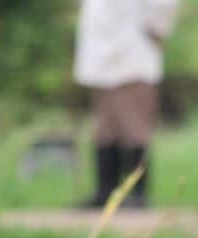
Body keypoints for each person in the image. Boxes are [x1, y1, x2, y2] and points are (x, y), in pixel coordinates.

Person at [74, 0, 180, 209]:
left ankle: (137, 193)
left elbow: (163, 5)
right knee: (105, 128)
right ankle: (106, 192)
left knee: (134, 127)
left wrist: (157, 30)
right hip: (101, 57)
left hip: (133, 55)